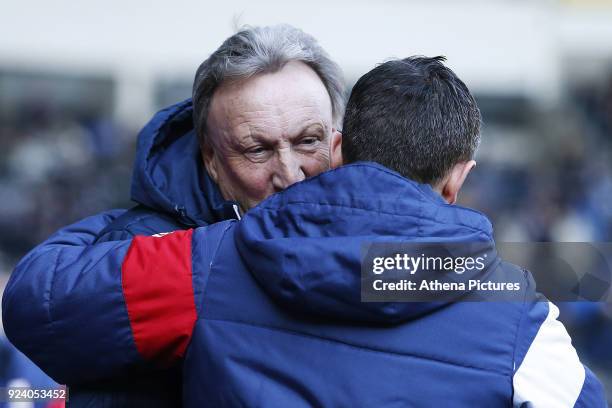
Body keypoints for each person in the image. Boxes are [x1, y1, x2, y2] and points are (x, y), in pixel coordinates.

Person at [4, 57, 606, 407]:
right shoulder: (522, 319)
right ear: (460, 178)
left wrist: (151, 212)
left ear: (339, 150)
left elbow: (41, 301)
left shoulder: (212, 259)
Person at [1, 24, 345, 407]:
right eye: (257, 150)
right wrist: (232, 261)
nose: (290, 173)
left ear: (337, 141)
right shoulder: (138, 239)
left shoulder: (385, 242)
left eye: (308, 141)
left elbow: (415, 276)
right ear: (211, 159)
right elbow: (37, 304)